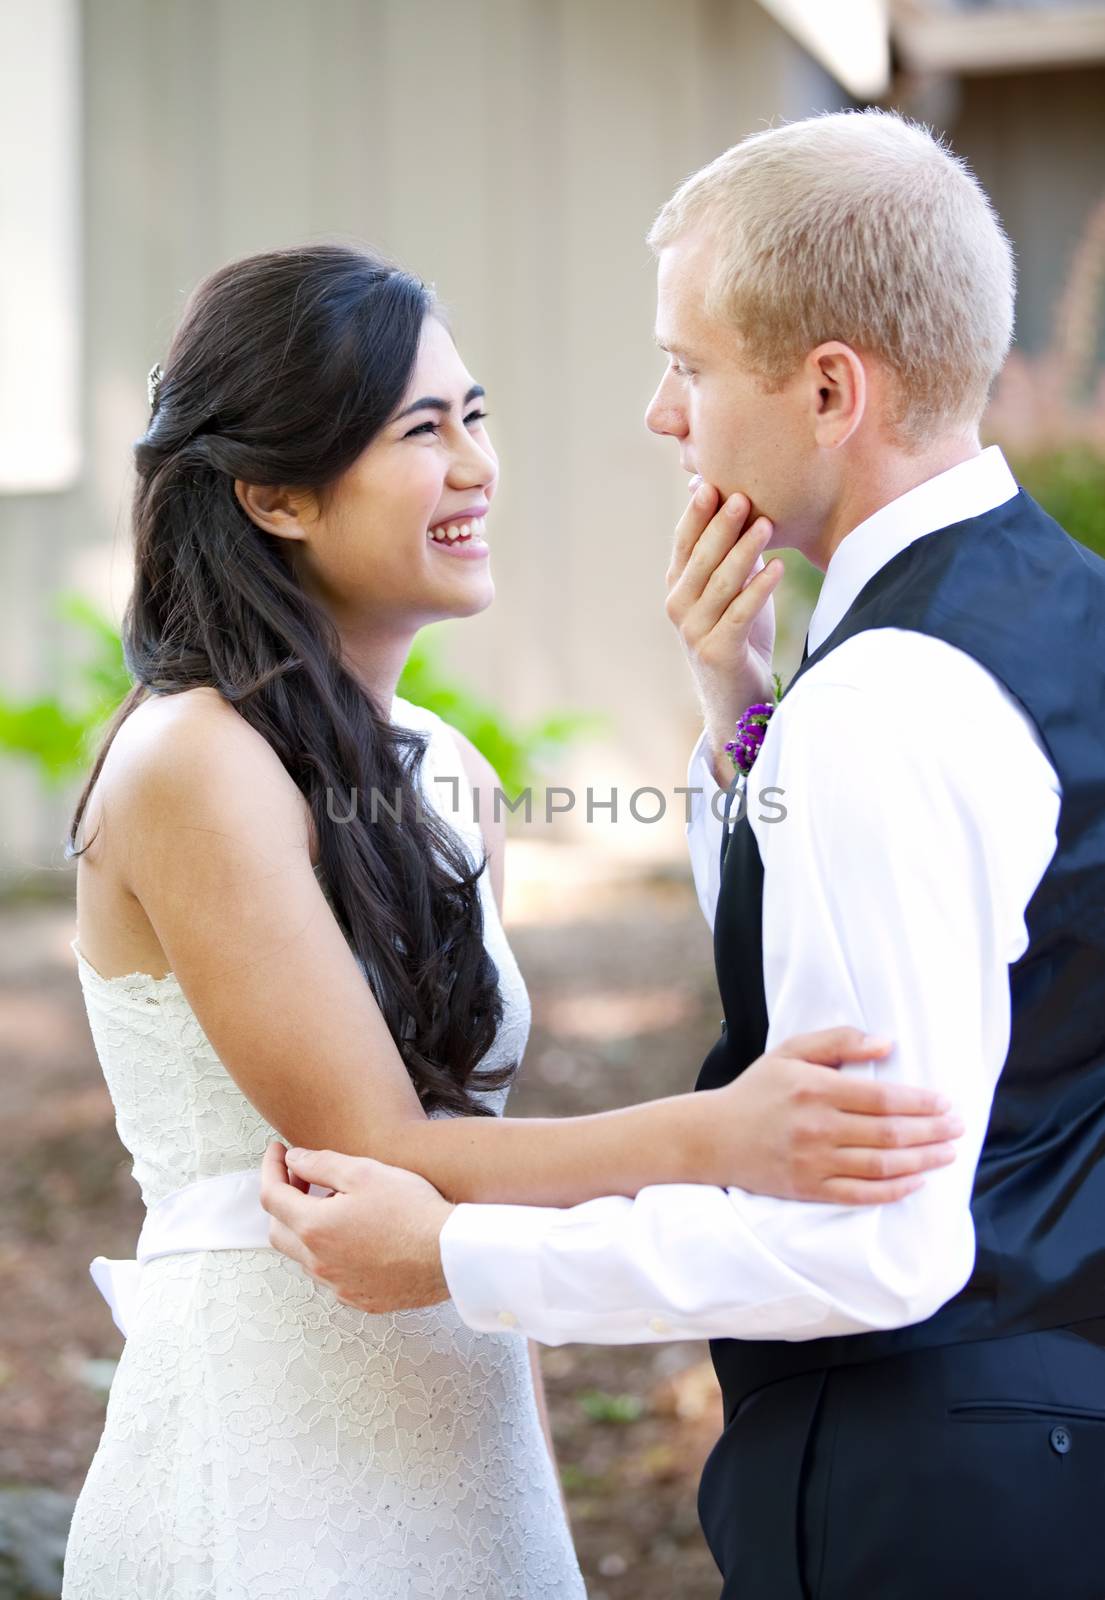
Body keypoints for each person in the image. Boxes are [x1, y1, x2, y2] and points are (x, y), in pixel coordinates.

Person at [262, 110, 1105, 1600]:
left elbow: (874, 1250)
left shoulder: (889, 700)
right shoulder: (1057, 615)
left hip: (929, 1495)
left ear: (830, 387)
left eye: (688, 366)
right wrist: (744, 715)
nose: (662, 414)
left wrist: (459, 1259)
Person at [61, 242, 956, 1600]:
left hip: (464, 1411)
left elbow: (476, 1158)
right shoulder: (191, 758)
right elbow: (375, 1143)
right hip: (266, 1454)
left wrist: (737, 702)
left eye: (474, 417)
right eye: (422, 430)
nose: (477, 466)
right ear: (273, 492)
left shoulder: (438, 772)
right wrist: (722, 1141)